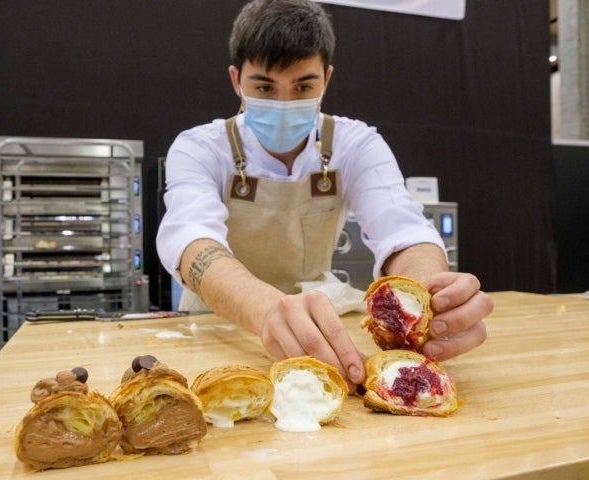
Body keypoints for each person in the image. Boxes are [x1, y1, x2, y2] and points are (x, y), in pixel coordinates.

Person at [156, 0, 492, 392]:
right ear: (236, 79)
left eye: (303, 86)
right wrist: (267, 312)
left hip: (322, 324)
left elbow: (403, 228)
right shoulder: (199, 148)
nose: (284, 103)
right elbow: (193, 244)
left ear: (326, 79)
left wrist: (421, 301)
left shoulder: (356, 144)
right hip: (218, 328)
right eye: (264, 87)